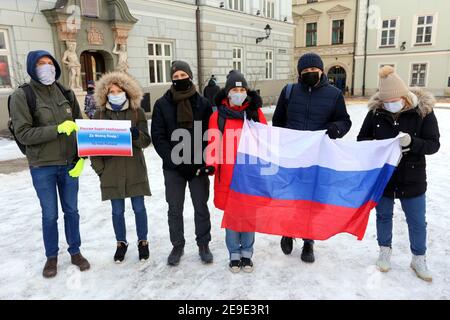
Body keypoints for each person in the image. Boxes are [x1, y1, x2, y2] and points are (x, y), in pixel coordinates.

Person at [9, 50, 90, 278]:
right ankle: (51, 257)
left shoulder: (65, 92)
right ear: (32, 68)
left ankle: (75, 252)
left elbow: (80, 127)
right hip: (43, 166)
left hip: (69, 164)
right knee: (50, 214)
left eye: (49, 63)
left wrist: (82, 158)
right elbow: (24, 133)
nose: (47, 67)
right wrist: (56, 129)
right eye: (41, 64)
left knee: (72, 211)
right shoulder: (22, 96)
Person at [357, 66, 440, 282]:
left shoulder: (423, 113)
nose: (389, 105)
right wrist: (379, 146)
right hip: (384, 177)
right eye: (385, 102)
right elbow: (362, 140)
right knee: (383, 216)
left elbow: (433, 145)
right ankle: (384, 251)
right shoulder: (376, 113)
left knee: (417, 221)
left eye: (394, 100)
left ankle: (418, 258)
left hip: (412, 178)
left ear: (404, 97)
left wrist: (412, 143)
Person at [272, 52, 352, 263]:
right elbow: (278, 122)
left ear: (321, 71)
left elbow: (345, 121)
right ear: (299, 73)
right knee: (290, 197)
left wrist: (335, 129)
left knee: (311, 201)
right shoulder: (289, 91)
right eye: (305, 71)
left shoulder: (334, 94)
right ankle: (288, 231)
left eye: (313, 70)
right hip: (292, 157)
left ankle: (308, 241)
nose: (309, 73)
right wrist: (282, 145)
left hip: (319, 157)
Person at [151, 61, 214, 266]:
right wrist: (176, 161)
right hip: (173, 168)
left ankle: (203, 244)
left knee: (200, 206)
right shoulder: (162, 104)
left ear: (190, 76)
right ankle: (177, 245)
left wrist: (199, 161)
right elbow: (158, 137)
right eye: (175, 77)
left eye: (182, 75)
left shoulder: (203, 104)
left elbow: (208, 135)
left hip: (197, 166)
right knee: (174, 209)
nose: (179, 79)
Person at [206, 70, 267, 273]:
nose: (239, 93)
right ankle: (234, 252)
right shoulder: (217, 117)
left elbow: (265, 141)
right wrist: (211, 164)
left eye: (242, 89)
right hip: (228, 175)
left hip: (250, 175)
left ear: (246, 92)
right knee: (232, 217)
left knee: (249, 215)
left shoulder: (255, 114)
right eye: (235, 89)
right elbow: (213, 143)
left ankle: (247, 252)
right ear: (228, 93)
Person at [90, 71, 152, 263]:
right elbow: (93, 146)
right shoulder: (100, 115)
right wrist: (101, 170)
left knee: (139, 208)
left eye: (118, 90)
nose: (115, 94)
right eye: (111, 91)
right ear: (105, 94)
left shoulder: (137, 112)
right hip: (111, 172)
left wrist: (135, 135)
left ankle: (143, 241)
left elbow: (146, 142)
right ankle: (121, 243)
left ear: (126, 91)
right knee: (117, 211)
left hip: (134, 169)